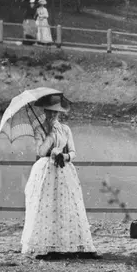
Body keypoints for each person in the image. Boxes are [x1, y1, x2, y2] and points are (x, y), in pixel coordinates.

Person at [21, 94, 96, 257]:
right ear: (45, 112)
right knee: (47, 206)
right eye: (49, 112)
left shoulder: (66, 129)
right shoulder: (39, 129)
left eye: (55, 113)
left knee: (67, 206)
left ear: (59, 113)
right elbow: (40, 152)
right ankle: (48, 247)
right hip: (45, 171)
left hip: (63, 171)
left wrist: (65, 156)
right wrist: (50, 137)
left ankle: (72, 246)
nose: (52, 115)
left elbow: (73, 151)